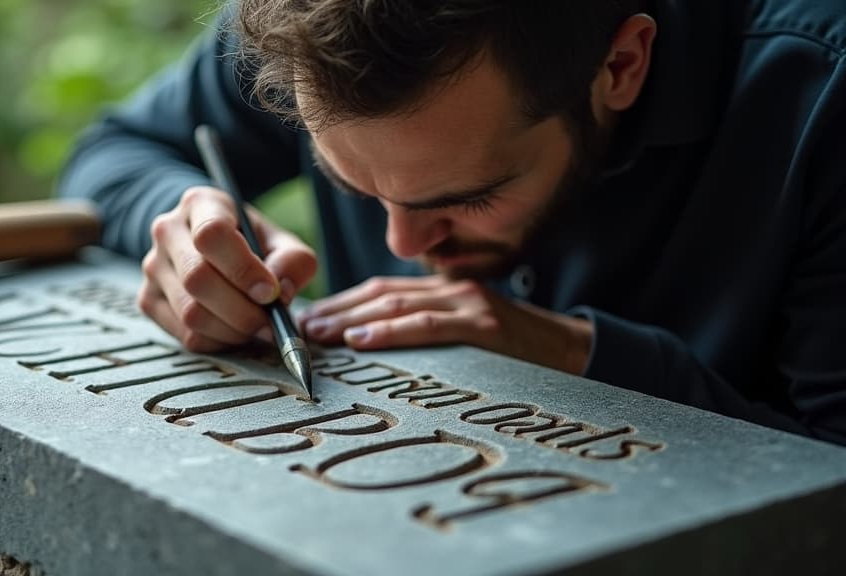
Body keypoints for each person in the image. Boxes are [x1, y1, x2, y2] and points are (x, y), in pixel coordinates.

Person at [58, 0, 846, 445]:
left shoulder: (818, 93)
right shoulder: (309, 25)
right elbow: (119, 151)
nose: (401, 248)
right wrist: (185, 225)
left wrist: (577, 354)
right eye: (356, 188)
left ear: (620, 66)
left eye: (464, 199)